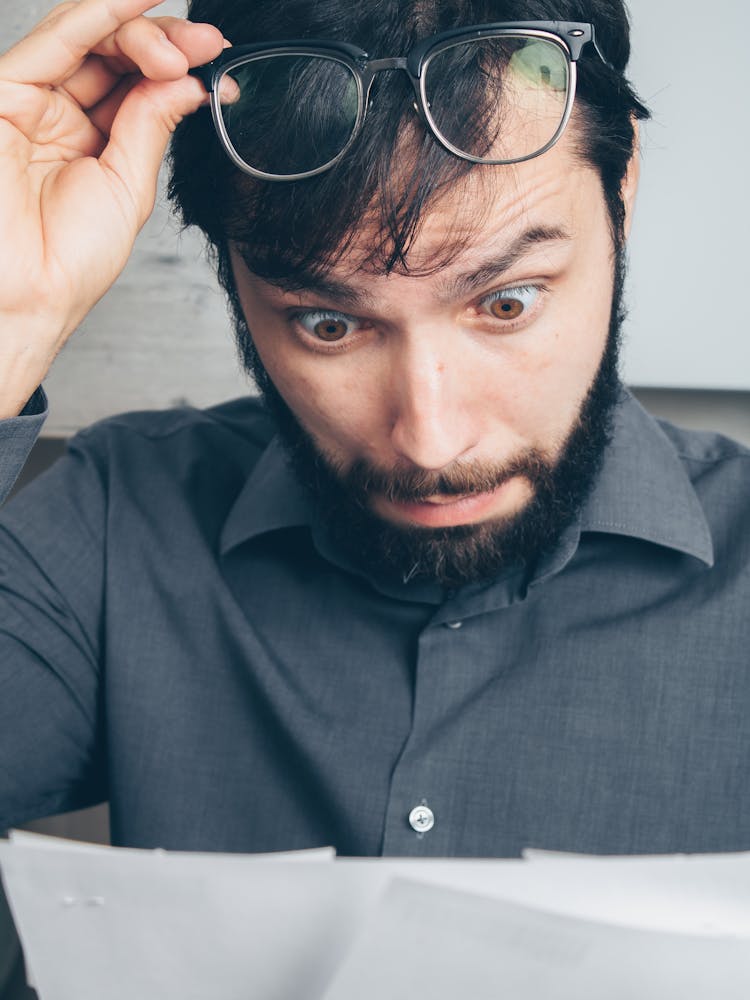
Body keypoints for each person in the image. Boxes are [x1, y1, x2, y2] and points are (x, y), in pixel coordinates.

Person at [1, 0, 749, 861]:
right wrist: (8, 324)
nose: (432, 443)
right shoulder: (112, 526)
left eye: (507, 303)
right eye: (329, 325)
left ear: (620, 191)